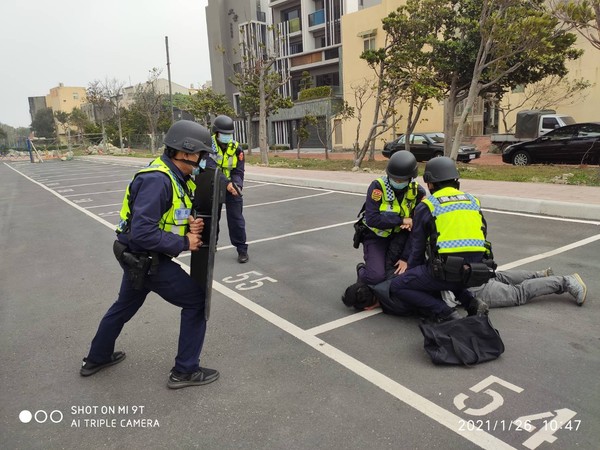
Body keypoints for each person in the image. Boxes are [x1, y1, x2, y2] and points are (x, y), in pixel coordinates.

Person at [80, 120, 220, 390]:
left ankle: (96, 358)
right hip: (147, 259)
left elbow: (165, 214)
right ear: (186, 152)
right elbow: (143, 233)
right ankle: (185, 371)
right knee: (196, 303)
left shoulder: (173, 176)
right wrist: (184, 241)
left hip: (138, 259)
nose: (203, 160)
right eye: (201, 155)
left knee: (124, 307)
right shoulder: (158, 180)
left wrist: (189, 223)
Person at [386, 156, 495, 321]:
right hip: (476, 270)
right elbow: (482, 232)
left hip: (445, 272)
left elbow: (417, 247)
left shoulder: (428, 205)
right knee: (452, 275)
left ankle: (445, 313)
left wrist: (412, 274)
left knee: (398, 286)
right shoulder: (473, 201)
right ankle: (472, 302)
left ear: (430, 183)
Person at [343, 268, 588, 312]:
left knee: (517, 295)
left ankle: (565, 282)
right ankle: (539, 275)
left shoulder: (392, 301)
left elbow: (423, 307)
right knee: (497, 276)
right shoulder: (386, 274)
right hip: (459, 269)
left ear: (367, 306)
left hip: (458, 290)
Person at [356, 150, 427, 285]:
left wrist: (412, 222)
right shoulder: (378, 187)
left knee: (403, 274)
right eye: (394, 178)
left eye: (401, 180)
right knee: (375, 277)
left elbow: (419, 224)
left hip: (400, 238)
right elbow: (372, 218)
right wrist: (401, 220)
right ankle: (361, 269)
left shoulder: (417, 192)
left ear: (411, 177)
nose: (397, 182)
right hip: (376, 237)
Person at [207, 114, 249, 263]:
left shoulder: (237, 148)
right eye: (224, 134)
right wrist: (227, 183)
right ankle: (212, 245)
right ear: (216, 133)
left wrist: (236, 185)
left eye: (229, 134)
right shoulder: (207, 147)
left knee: (236, 219)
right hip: (213, 186)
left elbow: (239, 170)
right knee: (212, 218)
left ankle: (242, 250)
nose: (227, 137)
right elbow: (210, 169)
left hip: (232, 186)